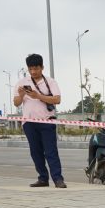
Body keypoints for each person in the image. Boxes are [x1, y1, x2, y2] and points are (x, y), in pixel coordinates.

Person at [13, 53, 65, 188]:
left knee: (50, 151)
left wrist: (38, 96)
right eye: (30, 69)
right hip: (29, 123)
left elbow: (57, 99)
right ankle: (43, 178)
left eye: (36, 68)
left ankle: (58, 179)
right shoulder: (22, 83)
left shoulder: (50, 82)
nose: (33, 72)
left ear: (42, 67)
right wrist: (21, 94)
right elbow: (16, 103)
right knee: (35, 152)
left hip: (47, 121)